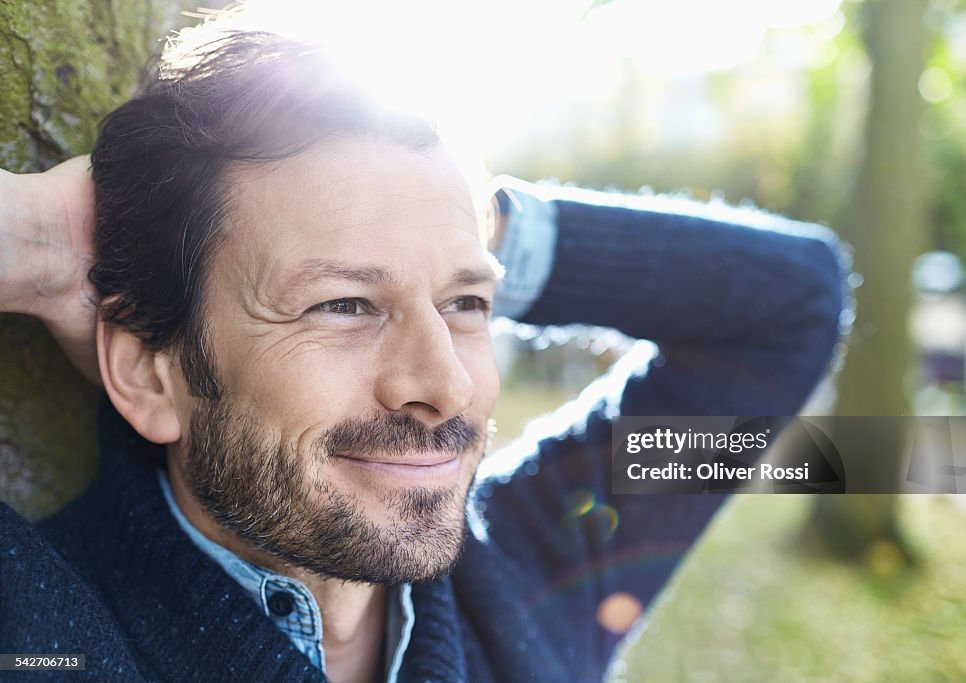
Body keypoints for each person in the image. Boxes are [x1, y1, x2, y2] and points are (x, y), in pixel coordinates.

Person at [0, 27, 847, 683]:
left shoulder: (543, 578)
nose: (445, 386)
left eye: (467, 305)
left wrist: (459, 222)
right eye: (343, 303)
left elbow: (787, 306)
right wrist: (38, 239)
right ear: (150, 369)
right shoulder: (38, 634)